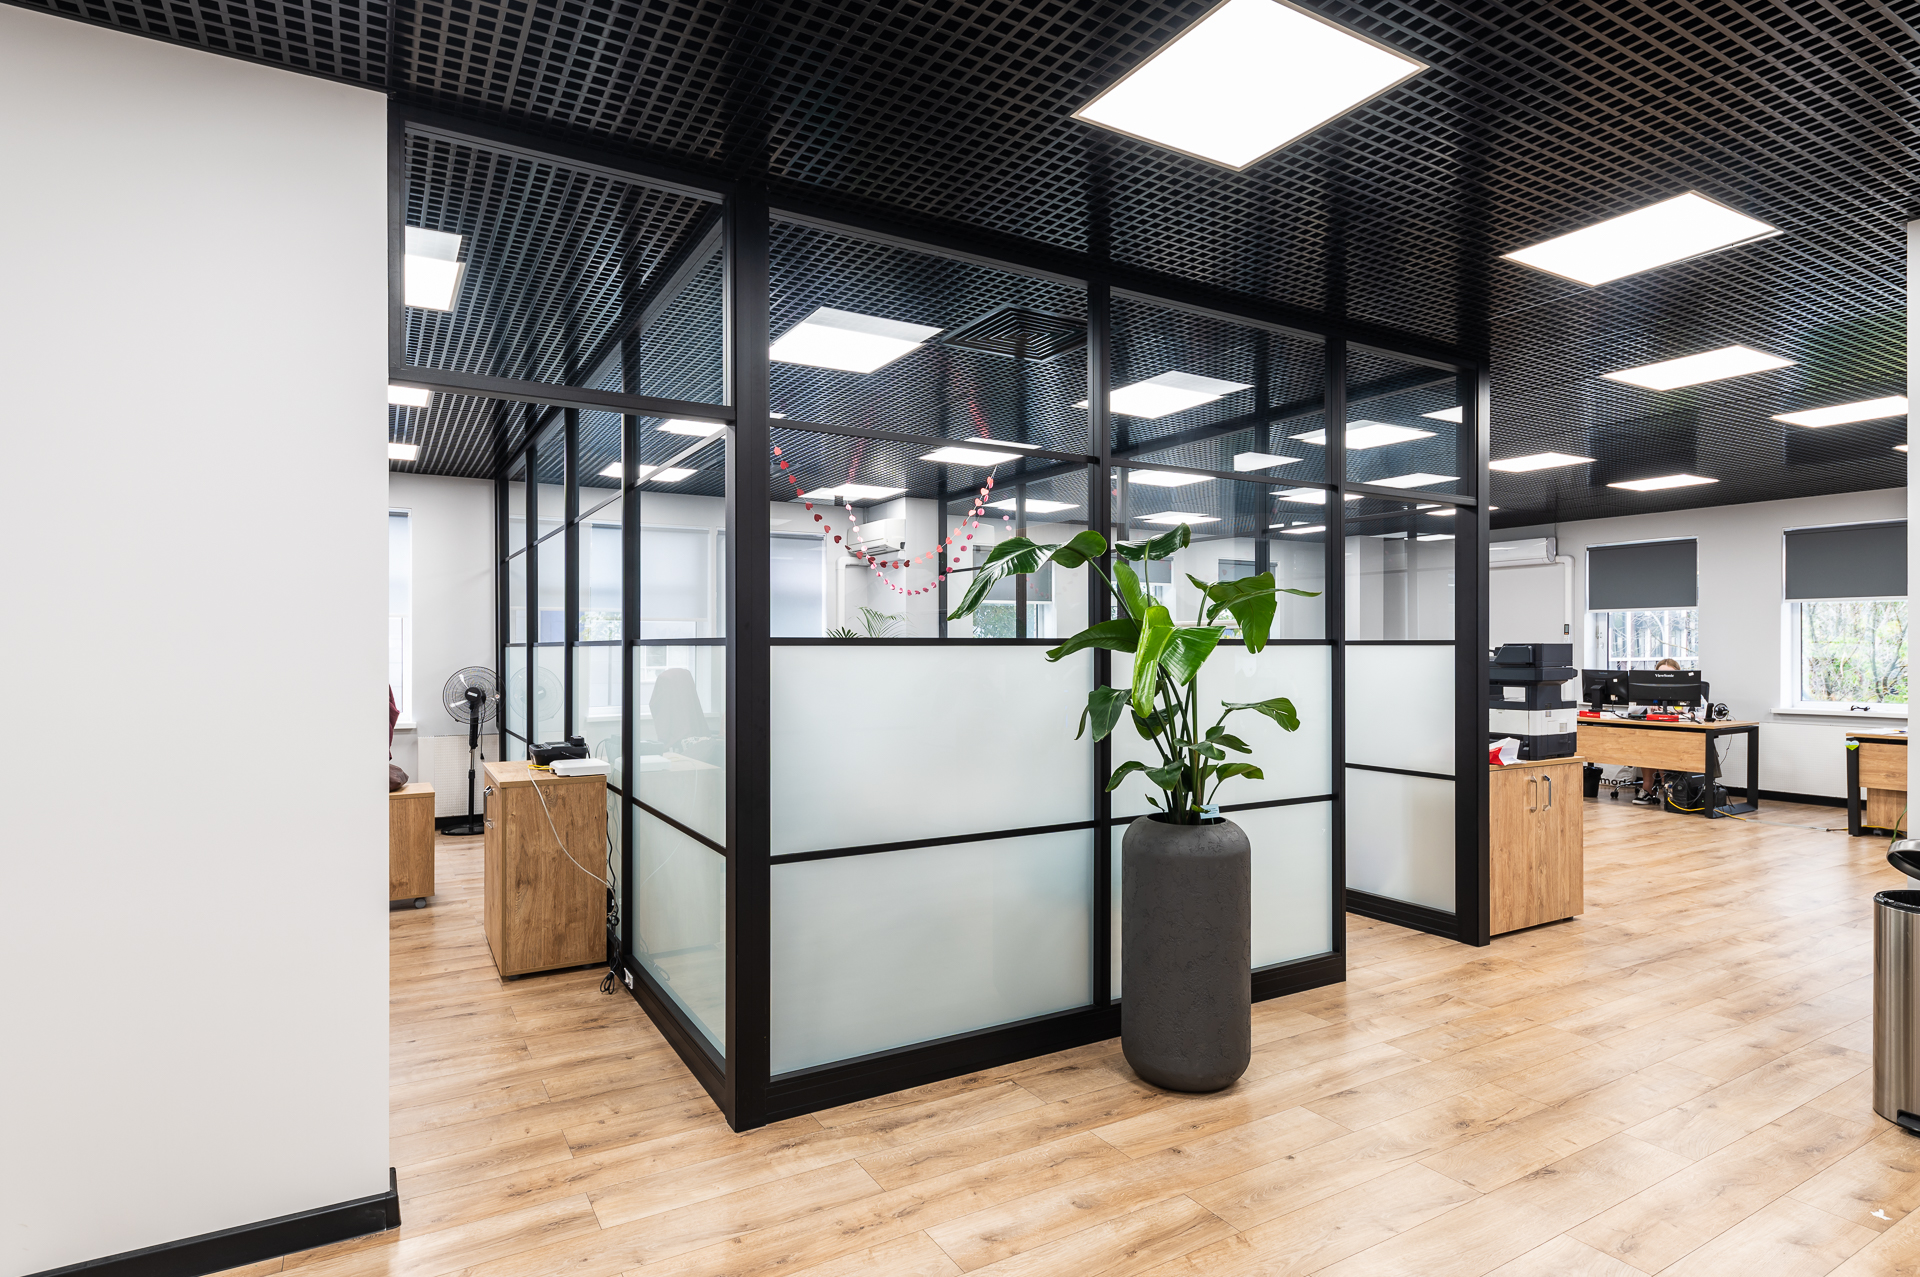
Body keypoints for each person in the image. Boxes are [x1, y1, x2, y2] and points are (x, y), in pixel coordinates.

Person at [1632, 658, 1682, 805]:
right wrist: (1647, 701)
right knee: (1648, 743)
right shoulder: (1649, 689)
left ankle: (1668, 789)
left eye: (1670, 675)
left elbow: (1702, 710)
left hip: (1678, 734)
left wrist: (1685, 713)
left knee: (1662, 745)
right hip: (1652, 734)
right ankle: (1647, 789)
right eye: (1661, 675)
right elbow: (1632, 710)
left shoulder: (1685, 689)